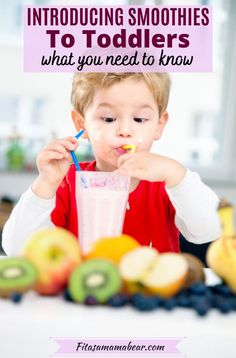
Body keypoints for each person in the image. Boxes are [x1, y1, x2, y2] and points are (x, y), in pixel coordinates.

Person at [2, 73, 221, 256]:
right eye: (108, 119)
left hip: (154, 302)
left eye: (139, 119)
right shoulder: (67, 181)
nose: (125, 130)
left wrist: (177, 175)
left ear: (159, 125)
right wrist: (45, 183)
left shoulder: (168, 183)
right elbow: (17, 250)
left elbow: (209, 230)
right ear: (82, 124)